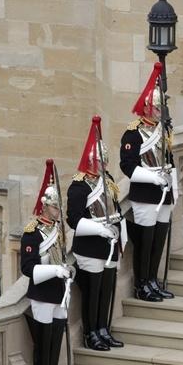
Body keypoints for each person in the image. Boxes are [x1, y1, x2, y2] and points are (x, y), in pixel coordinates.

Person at [120, 61, 176, 303]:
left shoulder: (164, 130)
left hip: (165, 192)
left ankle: (153, 279)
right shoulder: (133, 133)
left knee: (159, 238)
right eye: (156, 107)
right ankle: (142, 283)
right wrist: (153, 177)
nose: (160, 111)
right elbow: (128, 165)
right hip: (145, 194)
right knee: (145, 240)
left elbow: (169, 159)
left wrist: (175, 187)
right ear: (146, 108)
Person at [67, 116, 124, 352]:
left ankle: (103, 329)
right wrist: (100, 229)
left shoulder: (107, 180)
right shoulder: (79, 186)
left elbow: (115, 207)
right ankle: (91, 332)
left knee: (106, 290)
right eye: (100, 161)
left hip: (109, 244)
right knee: (92, 292)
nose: (104, 166)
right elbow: (74, 219)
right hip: (90, 246)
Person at [22, 160, 76, 365]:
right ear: (45, 207)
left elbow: (61, 256)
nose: (58, 212)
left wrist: (66, 271)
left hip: (59, 293)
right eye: (55, 208)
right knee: (43, 341)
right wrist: (55, 270)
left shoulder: (58, 228)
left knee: (55, 339)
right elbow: (28, 268)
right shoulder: (32, 232)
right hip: (43, 293)